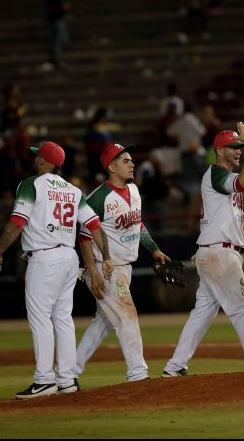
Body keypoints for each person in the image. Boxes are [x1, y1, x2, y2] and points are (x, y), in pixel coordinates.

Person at [0, 142, 112, 398]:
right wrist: (107, 256)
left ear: (44, 162)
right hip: (69, 257)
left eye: (38, 157)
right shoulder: (74, 191)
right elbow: (94, 226)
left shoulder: (31, 184)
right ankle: (67, 379)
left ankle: (44, 379)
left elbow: (16, 223)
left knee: (40, 317)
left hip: (45, 257)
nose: (35, 160)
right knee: (62, 318)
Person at [163, 126, 244, 376]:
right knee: (243, 306)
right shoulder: (215, 174)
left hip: (214, 252)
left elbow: (239, 218)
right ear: (219, 151)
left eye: (240, 149)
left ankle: (175, 365)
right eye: (234, 148)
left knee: (202, 314)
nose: (237, 152)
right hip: (219, 254)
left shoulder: (223, 179)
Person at [75, 144, 171, 383]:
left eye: (131, 160)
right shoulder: (97, 198)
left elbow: (137, 224)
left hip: (124, 267)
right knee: (128, 314)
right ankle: (137, 372)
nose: (132, 164)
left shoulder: (134, 191)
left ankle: (67, 373)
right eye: (126, 160)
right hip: (104, 268)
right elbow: (84, 239)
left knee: (104, 323)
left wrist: (154, 249)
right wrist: (94, 273)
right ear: (111, 166)